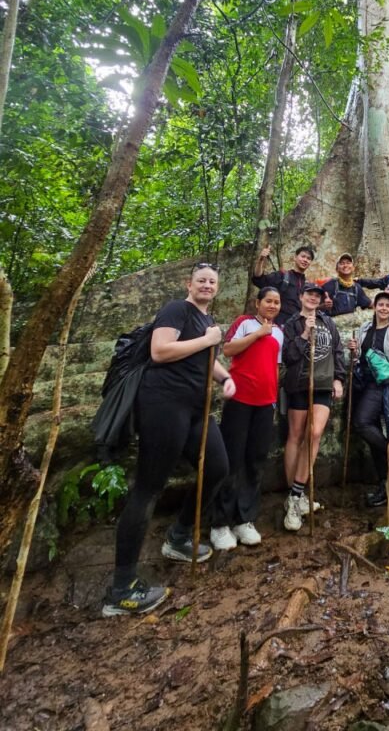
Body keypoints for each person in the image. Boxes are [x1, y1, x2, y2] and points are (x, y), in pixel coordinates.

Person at [102, 262, 235, 618]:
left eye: (212, 281)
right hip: (164, 403)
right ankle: (122, 587)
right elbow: (161, 350)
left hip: (195, 406)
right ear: (188, 284)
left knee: (218, 467)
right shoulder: (177, 309)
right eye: (201, 280)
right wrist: (209, 341)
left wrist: (224, 378)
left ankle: (178, 536)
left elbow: (206, 359)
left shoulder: (207, 322)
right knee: (149, 486)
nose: (207, 284)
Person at [209, 287, 284, 550]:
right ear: (258, 303)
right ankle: (220, 523)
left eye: (277, 302)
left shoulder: (280, 332)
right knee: (232, 460)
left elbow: (275, 367)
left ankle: (245, 519)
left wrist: (274, 400)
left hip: (265, 404)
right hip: (239, 400)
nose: (273, 306)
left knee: (255, 460)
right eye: (268, 301)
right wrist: (257, 334)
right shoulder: (244, 323)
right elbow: (227, 350)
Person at [281, 283, 345, 530]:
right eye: (309, 294)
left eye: (317, 296)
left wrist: (339, 378)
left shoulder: (328, 323)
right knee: (295, 436)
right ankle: (294, 496)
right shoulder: (290, 324)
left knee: (315, 433)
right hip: (299, 385)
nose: (313, 298)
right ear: (301, 297)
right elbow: (288, 356)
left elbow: (337, 351)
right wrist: (305, 335)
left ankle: (296, 495)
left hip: (322, 385)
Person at [349, 290, 389, 507]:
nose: (384, 308)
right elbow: (360, 358)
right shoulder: (365, 328)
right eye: (380, 305)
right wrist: (354, 351)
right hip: (362, 384)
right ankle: (385, 483)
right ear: (374, 307)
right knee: (370, 429)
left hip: (380, 388)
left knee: (362, 423)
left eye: (388, 306)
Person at [252, 243, 315, 326]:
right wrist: (261, 260)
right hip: (280, 325)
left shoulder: (307, 285)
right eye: (303, 256)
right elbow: (259, 279)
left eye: (308, 258)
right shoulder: (283, 276)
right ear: (295, 258)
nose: (305, 260)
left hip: (298, 327)